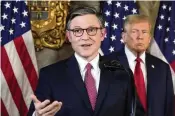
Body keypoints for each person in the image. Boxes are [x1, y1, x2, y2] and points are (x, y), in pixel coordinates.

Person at [28, 6, 134, 116]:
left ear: (102, 34)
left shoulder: (122, 72)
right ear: (68, 36)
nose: (85, 37)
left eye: (91, 30)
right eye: (77, 31)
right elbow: (37, 111)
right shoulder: (50, 75)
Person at [106, 14, 174, 116]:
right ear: (124, 37)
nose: (140, 37)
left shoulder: (162, 68)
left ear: (149, 38)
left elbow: (169, 109)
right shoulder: (107, 64)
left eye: (144, 32)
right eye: (134, 32)